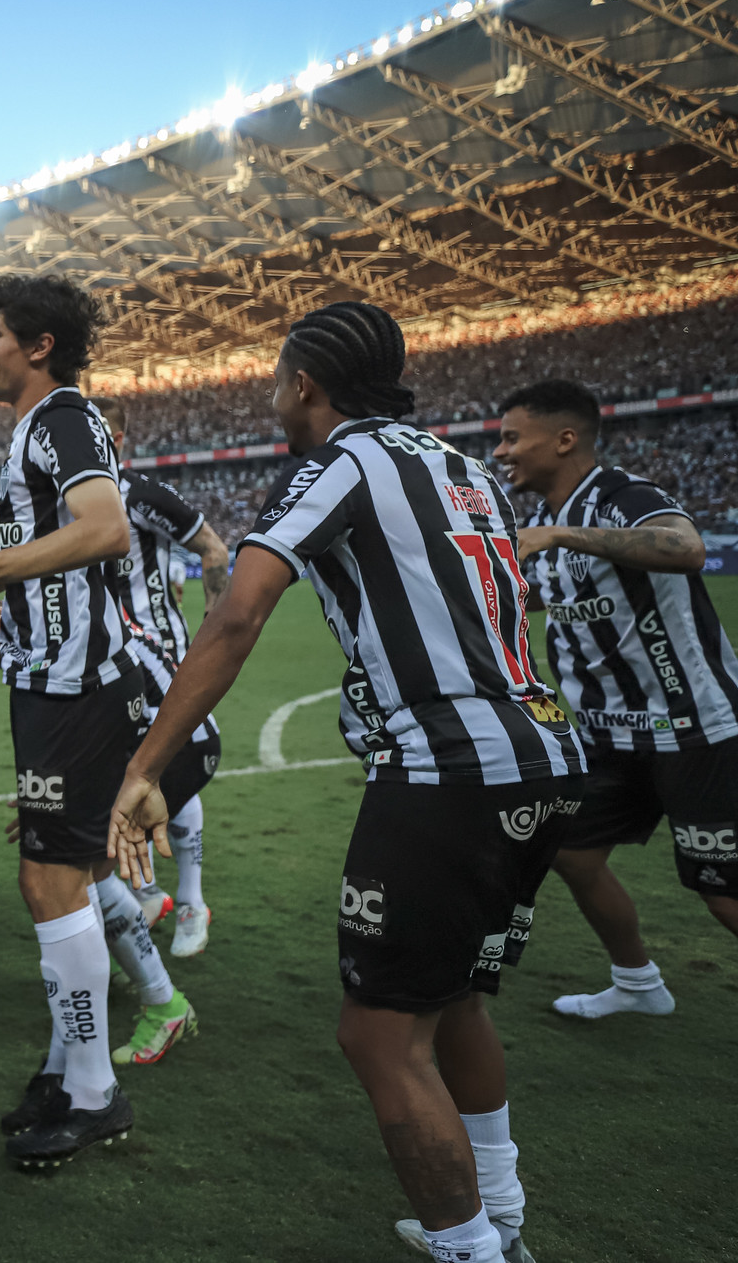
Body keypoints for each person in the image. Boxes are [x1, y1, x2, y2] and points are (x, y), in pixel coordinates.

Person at [107, 303, 583, 1263]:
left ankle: (472, 1249)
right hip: (544, 755)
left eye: (278, 379)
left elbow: (238, 616)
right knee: (453, 1003)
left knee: (377, 1034)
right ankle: (502, 1213)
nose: (271, 396)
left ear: (307, 387)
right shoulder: (465, 465)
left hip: (446, 768)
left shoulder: (336, 463)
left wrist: (144, 766)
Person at [0, 273, 194, 1170]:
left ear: (37, 346)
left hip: (80, 684)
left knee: (51, 883)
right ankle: (70, 1069)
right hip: (50, 678)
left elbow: (105, 530)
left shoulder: (65, 416)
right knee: (58, 879)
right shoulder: (39, 425)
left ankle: (95, 1090)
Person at [492, 378, 738, 1017]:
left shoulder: (619, 496)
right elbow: (551, 598)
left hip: (693, 727)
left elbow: (686, 548)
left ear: (565, 439)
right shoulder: (540, 518)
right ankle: (639, 985)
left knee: (723, 894)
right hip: (608, 736)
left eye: (513, 437)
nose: (501, 451)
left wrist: (568, 537)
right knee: (571, 852)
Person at [91, 396, 233, 957]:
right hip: (104, 664)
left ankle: (192, 900)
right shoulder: (69, 504)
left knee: (165, 762)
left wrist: (211, 632)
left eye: (98, 433)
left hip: (159, 657)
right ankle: (150, 892)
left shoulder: (139, 494)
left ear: (119, 441)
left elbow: (213, 548)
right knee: (130, 773)